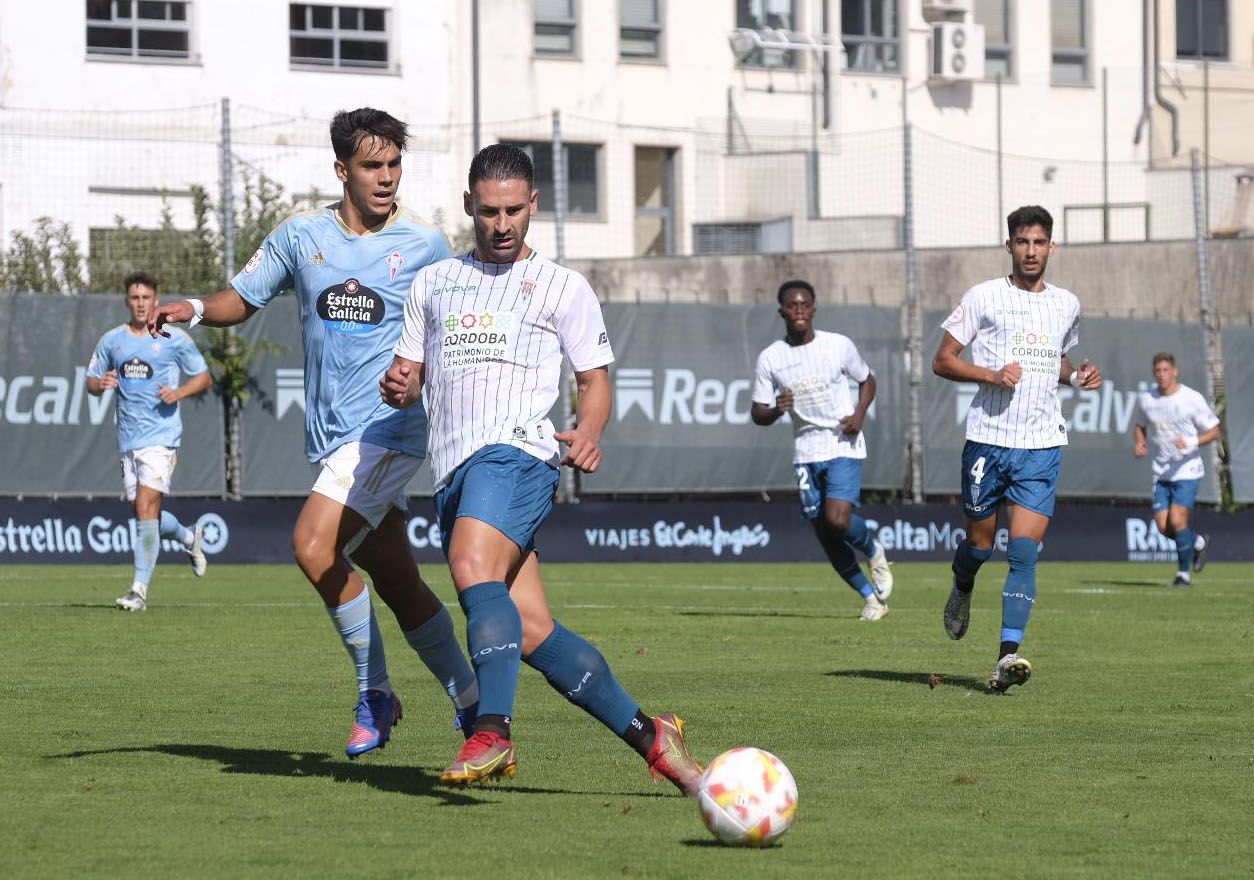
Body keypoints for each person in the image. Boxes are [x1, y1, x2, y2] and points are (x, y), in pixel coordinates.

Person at [149, 108, 477, 758]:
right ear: (342, 170)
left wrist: (418, 378)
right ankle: (476, 705)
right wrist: (191, 308)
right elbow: (242, 298)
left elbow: (451, 335)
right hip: (333, 445)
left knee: (311, 546)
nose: (386, 178)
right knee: (399, 583)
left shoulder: (425, 245)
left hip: (389, 434)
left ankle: (375, 692)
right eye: (371, 165)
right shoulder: (302, 237)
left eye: (393, 165)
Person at [381, 143, 702, 794]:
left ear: (534, 206)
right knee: (528, 628)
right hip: (454, 471)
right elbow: (411, 375)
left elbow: (595, 380)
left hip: (520, 453)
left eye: (515, 211)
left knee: (472, 566)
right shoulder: (433, 283)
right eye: (490, 212)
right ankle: (653, 737)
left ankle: (492, 730)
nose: (503, 225)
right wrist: (400, 386)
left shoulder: (563, 287)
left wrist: (588, 428)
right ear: (471, 205)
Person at [931, 205, 1102, 693]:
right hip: (988, 440)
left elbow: (1058, 360)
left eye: (1039, 242)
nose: (1031, 251)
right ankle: (961, 587)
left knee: (1024, 552)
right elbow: (942, 361)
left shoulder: (1067, 303)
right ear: (1009, 245)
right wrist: (991, 374)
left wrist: (1078, 376)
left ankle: (1007, 657)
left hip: (1042, 444)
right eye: (1022, 242)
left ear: (1053, 246)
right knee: (980, 547)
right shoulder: (983, 296)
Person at [749, 281, 894, 620]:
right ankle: (871, 600)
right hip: (805, 451)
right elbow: (758, 413)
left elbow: (867, 379)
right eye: (791, 305)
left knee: (837, 519)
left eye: (804, 305)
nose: (798, 310)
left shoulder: (837, 345)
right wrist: (776, 409)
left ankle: (874, 551)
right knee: (825, 533)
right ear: (781, 311)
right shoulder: (771, 357)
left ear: (813, 309)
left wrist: (859, 415)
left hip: (842, 442)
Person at [87, 270, 212, 612]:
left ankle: (138, 591)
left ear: (156, 300)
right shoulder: (113, 340)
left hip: (161, 438)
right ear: (128, 301)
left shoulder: (173, 338)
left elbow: (204, 377)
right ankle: (188, 537)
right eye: (135, 298)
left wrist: (179, 392)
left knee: (144, 508)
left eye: (146, 297)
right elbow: (91, 381)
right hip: (128, 439)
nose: (141, 303)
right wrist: (102, 383)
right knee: (145, 515)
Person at [1133, 352, 1220, 587]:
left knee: (1178, 520)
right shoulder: (1147, 399)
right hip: (1162, 472)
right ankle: (1198, 543)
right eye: (1158, 371)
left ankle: (1183, 574)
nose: (1162, 375)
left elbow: (1215, 430)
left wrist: (1192, 442)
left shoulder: (1190, 398)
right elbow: (1140, 424)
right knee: (1163, 527)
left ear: (1175, 371)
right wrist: (1140, 441)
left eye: (1166, 370)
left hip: (1187, 470)